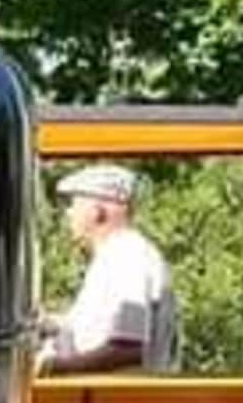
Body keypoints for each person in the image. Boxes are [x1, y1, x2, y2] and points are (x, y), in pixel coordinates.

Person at [39, 158, 180, 372]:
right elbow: (95, 330)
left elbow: (127, 350)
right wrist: (51, 324)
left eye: (74, 204)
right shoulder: (118, 255)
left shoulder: (126, 256)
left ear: (98, 211)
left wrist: (53, 368)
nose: (69, 214)